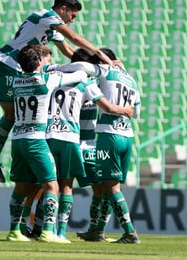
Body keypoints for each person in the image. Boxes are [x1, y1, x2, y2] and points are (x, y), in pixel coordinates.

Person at [0, 0, 114, 183]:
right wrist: (99, 53)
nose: (72, 21)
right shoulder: (45, 15)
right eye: (72, 16)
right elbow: (73, 38)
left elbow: (68, 51)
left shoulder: (51, 27)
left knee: (16, 113)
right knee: (14, 113)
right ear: (63, 9)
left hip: (12, 66)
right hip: (6, 64)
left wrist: (91, 64)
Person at [53, 48, 142, 244]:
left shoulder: (101, 74)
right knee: (103, 188)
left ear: (102, 61)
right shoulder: (132, 80)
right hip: (126, 135)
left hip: (104, 136)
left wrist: (54, 68)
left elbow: (82, 66)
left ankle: (129, 231)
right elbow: (136, 113)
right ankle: (97, 229)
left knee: (106, 187)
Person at [6, 45, 88, 243]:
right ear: (38, 62)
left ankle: (14, 231)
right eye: (45, 60)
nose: (48, 62)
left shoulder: (16, 81)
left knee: (21, 187)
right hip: (36, 139)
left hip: (17, 139)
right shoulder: (46, 79)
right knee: (52, 185)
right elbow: (80, 77)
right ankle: (48, 232)